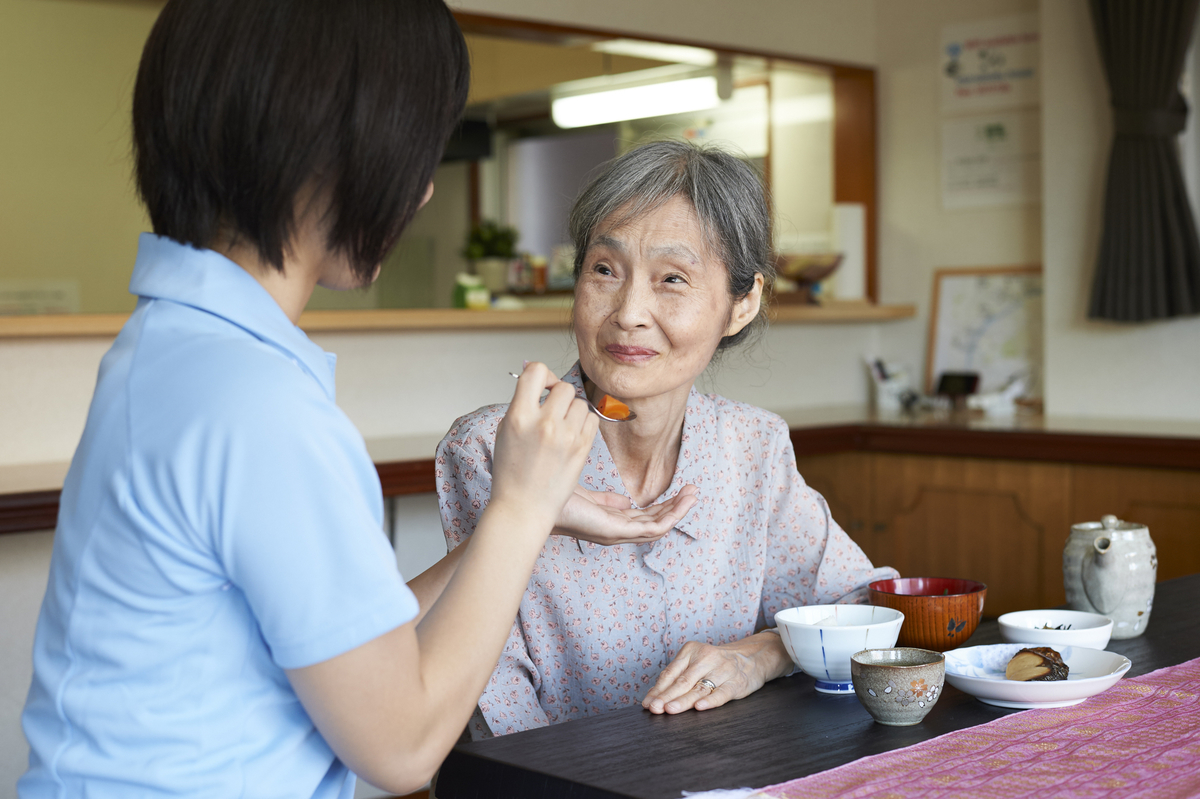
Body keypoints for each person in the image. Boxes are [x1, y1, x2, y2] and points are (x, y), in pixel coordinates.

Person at [17, 2, 676, 796]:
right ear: (332, 147)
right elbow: (400, 746)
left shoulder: (174, 347)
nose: (425, 189)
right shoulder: (256, 405)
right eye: (416, 148)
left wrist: (522, 518)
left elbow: (355, 650)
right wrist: (523, 507)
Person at [436, 140, 900, 739]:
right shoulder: (494, 448)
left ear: (743, 303)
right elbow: (494, 701)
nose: (629, 311)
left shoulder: (752, 446)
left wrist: (759, 655)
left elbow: (864, 610)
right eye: (605, 270)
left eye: (672, 279)